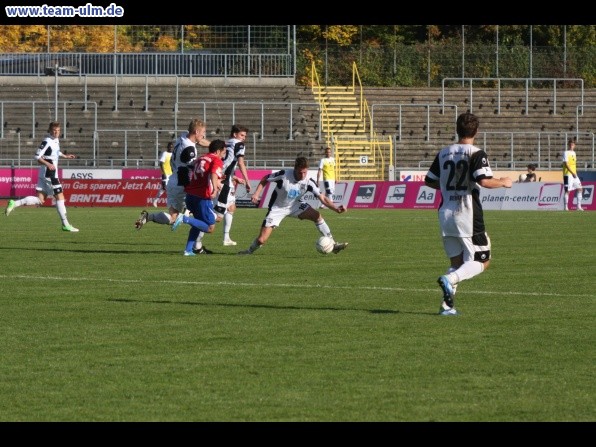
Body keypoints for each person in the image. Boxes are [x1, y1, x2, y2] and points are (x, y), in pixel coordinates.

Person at [424, 112, 512, 316]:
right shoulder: (476, 153)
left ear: (457, 129)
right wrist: (504, 182)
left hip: (445, 214)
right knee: (483, 260)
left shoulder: (444, 152)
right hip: (467, 214)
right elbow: (484, 181)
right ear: (477, 131)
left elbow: (429, 180)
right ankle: (450, 280)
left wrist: (447, 187)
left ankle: (446, 307)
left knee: (456, 263)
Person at [238, 156, 348, 255]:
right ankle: (248, 251)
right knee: (262, 240)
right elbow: (265, 179)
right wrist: (257, 194)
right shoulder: (284, 175)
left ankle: (333, 245)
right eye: (300, 172)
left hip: (295, 206)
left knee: (317, 216)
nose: (303, 175)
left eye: (305, 172)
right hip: (277, 209)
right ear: (295, 169)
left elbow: (323, 198)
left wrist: (336, 208)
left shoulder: (309, 182)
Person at [134, 119, 210, 238]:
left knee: (173, 217)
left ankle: (149, 217)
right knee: (202, 216)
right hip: (182, 183)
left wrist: (214, 145)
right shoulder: (189, 149)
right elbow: (191, 168)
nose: (204, 135)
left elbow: (199, 141)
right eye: (203, 132)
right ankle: (196, 246)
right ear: (196, 131)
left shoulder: (183, 137)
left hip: (173, 180)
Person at [5, 121, 79, 232]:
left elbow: (55, 152)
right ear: (49, 131)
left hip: (44, 174)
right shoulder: (47, 141)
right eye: (54, 131)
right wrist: (48, 164)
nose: (56, 133)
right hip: (50, 174)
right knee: (60, 197)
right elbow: (37, 156)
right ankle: (65, 224)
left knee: (40, 200)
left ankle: (15, 203)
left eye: (58, 131)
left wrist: (65, 155)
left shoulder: (55, 140)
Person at [170, 139, 227, 256]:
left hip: (191, 195)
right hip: (202, 197)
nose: (223, 155)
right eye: (223, 152)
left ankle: (188, 250)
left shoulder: (201, 158)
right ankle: (183, 218)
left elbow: (195, 170)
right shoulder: (216, 160)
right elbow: (212, 174)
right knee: (210, 227)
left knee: (198, 223)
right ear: (217, 151)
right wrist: (215, 188)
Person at [211, 124, 251, 246]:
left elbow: (226, 163)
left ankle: (226, 238)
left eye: (245, 136)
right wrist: (247, 180)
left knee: (231, 207)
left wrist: (234, 177)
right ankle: (189, 216)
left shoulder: (225, 143)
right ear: (235, 134)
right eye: (242, 135)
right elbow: (240, 163)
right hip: (223, 181)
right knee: (218, 216)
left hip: (221, 177)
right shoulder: (239, 144)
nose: (243, 138)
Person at [562, 138, 583, 211]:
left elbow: (573, 164)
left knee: (580, 189)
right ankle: (565, 207)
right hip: (568, 174)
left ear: (574, 146)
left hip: (574, 174)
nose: (571, 145)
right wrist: (572, 173)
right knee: (567, 191)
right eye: (570, 144)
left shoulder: (574, 153)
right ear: (568, 145)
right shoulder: (566, 152)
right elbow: (566, 164)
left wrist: (575, 173)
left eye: (573, 144)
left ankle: (578, 207)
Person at [152, 141, 173, 207]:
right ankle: (170, 203)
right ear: (167, 147)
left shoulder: (173, 155)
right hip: (165, 173)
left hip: (172, 174)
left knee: (163, 189)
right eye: (170, 147)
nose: (171, 148)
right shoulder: (165, 153)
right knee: (166, 188)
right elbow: (161, 163)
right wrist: (163, 173)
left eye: (172, 147)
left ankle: (155, 200)